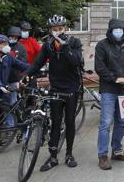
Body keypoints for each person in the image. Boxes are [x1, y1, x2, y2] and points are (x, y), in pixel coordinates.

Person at [26, 15, 83, 171]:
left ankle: (69, 154)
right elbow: (37, 63)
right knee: (56, 123)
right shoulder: (48, 45)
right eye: (54, 30)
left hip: (71, 88)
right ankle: (53, 157)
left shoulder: (74, 43)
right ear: (50, 31)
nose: (57, 32)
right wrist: (26, 75)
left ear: (65, 29)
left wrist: (65, 47)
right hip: (56, 88)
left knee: (70, 122)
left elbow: (76, 62)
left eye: (60, 29)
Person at [95, 19, 124, 170]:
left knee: (121, 122)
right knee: (106, 123)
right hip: (109, 89)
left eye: (121, 29)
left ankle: (117, 150)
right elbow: (99, 67)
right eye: (115, 29)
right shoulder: (102, 45)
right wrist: (115, 79)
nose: (118, 31)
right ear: (110, 30)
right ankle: (102, 155)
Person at [6, 26, 28, 116]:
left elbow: (23, 63)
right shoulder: (4, 46)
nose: (12, 39)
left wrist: (15, 59)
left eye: (15, 38)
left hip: (14, 78)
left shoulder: (21, 47)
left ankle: (10, 125)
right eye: (11, 37)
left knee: (12, 103)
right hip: (3, 79)